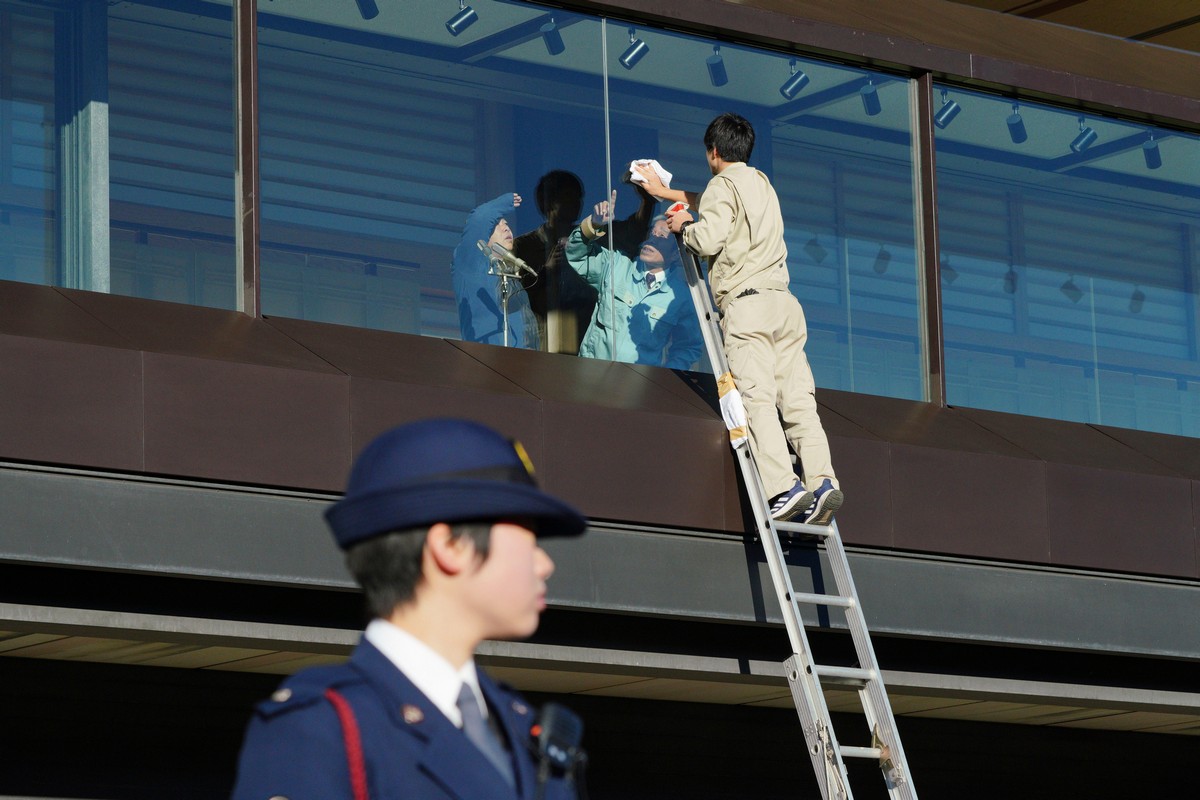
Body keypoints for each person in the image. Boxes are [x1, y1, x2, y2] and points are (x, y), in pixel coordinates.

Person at [231, 418, 588, 800]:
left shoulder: (523, 727)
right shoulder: (322, 726)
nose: (544, 564)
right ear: (450, 547)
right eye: (528, 537)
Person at [639, 113, 843, 525]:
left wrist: (684, 226)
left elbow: (709, 235)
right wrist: (668, 193)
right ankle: (823, 481)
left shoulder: (719, 187)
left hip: (746, 305)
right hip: (784, 305)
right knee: (799, 401)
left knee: (759, 399)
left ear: (713, 152)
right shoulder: (762, 185)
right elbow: (721, 201)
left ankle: (784, 488)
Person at [565, 197, 701, 370]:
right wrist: (594, 224)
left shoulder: (680, 297)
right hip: (590, 375)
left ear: (676, 254)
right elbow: (576, 254)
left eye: (661, 236)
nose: (652, 239)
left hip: (639, 387)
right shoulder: (616, 265)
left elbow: (688, 346)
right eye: (652, 233)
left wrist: (666, 378)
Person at [452, 193, 539, 349]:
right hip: (485, 359)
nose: (506, 228)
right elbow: (479, 219)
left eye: (506, 224)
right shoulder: (470, 264)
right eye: (496, 226)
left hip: (521, 364)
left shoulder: (509, 276)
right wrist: (504, 202)